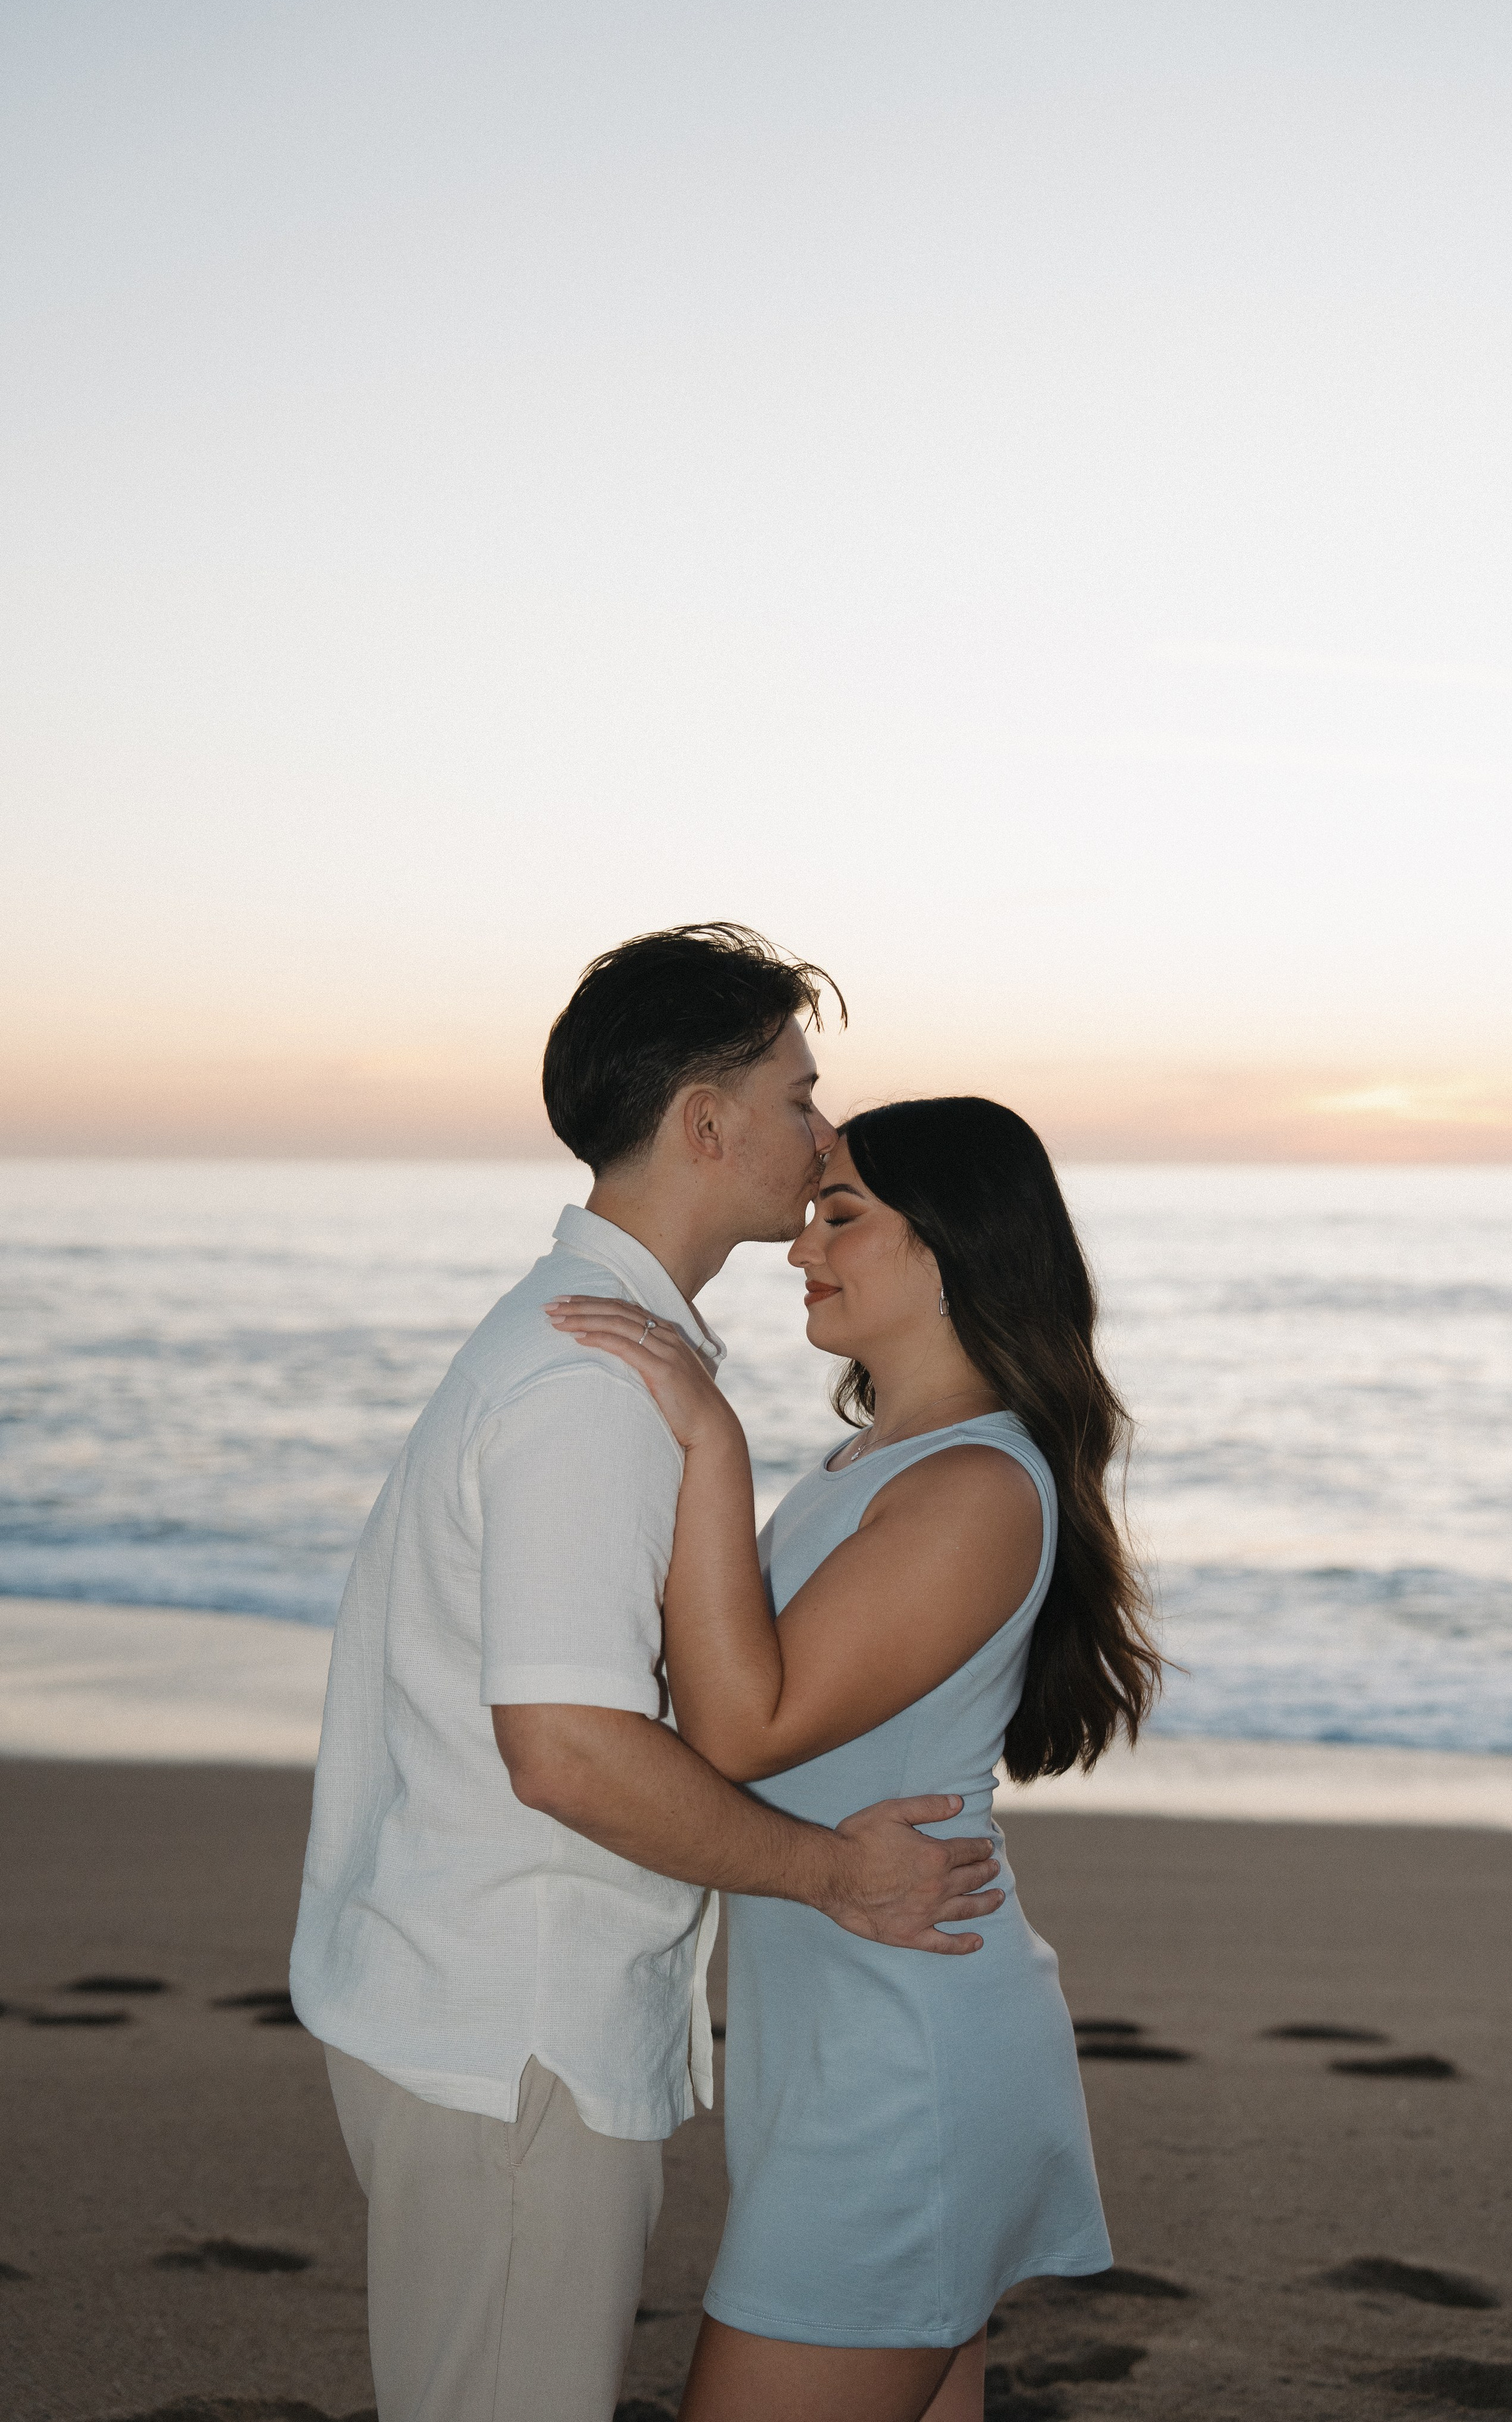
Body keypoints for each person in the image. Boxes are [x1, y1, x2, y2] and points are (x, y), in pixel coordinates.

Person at [289, 929, 1005, 2422]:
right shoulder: (591, 1385)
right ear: (704, 1122)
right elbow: (564, 1751)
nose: (819, 1133)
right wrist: (832, 1874)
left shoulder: (589, 1350)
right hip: (515, 2032)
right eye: (797, 1096)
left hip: (480, 2012)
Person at [547, 1093, 1160, 2422]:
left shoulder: (973, 1488)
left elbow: (740, 1730)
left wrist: (707, 1438)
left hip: (902, 2062)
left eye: (842, 1215)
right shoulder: (875, 1461)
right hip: (849, 2034)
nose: (800, 1247)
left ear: (953, 1245)